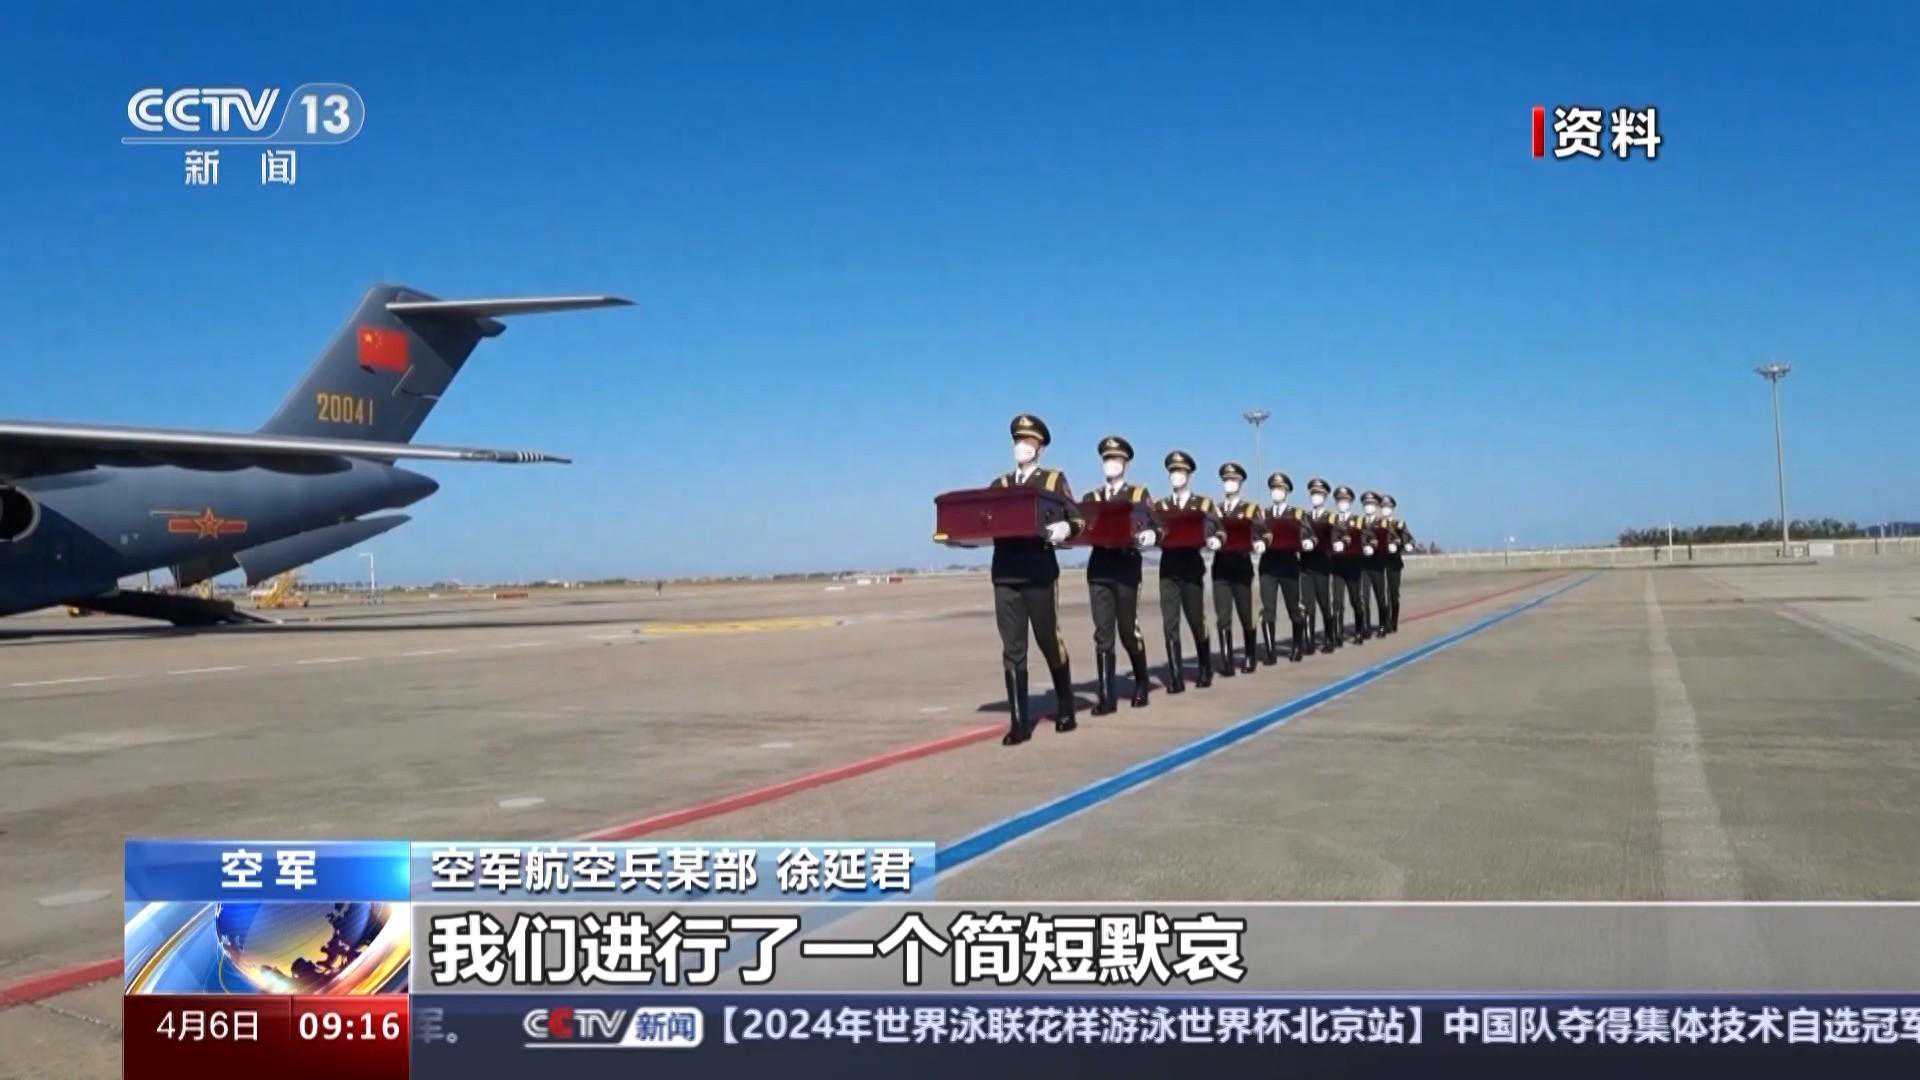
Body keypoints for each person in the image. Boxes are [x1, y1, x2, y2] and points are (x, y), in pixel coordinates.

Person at [988, 414, 1084, 746]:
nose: (1022, 447)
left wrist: (1065, 528)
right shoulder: (999, 485)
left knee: (1048, 639)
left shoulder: (1053, 480)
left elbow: (1078, 519)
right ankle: (1019, 723)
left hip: (1039, 573)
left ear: (1040, 448)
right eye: (1018, 440)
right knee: (1013, 648)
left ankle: (1066, 706)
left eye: (1029, 442)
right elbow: (985, 520)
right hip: (1006, 573)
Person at [1083, 435, 1157, 714]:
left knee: (1127, 631)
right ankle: (1106, 697)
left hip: (1126, 569)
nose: (1111, 464)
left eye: (1116, 459)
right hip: (1099, 569)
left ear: (1126, 464)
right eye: (1107, 459)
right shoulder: (1091, 498)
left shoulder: (1138, 495)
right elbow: (1082, 526)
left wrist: (1152, 534)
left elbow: (1158, 524)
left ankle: (1142, 682)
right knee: (1103, 633)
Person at [1154, 451, 1218, 692]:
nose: (1176, 476)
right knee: (1170, 623)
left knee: (1196, 620)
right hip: (1168, 568)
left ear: (1189, 475)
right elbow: (1153, 531)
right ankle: (1175, 677)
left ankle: (1205, 668)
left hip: (1191, 567)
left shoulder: (1202, 504)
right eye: (1172, 472)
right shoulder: (1160, 506)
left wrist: (1214, 539)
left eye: (1180, 472)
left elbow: (1217, 528)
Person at [1210, 462, 1261, 676]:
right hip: (1221, 567)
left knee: (1245, 614)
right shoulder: (1215, 510)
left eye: (1233, 480)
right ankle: (1227, 660)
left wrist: (1259, 542)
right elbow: (1208, 530)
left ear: (1240, 483)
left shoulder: (1250, 509)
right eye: (1226, 480)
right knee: (1223, 616)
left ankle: (1250, 655)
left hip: (1241, 567)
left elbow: (1261, 531)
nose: (1229, 484)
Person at [1258, 472, 1314, 663]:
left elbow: (1310, 535)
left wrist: (1308, 542)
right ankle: (1270, 652)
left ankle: (1297, 647)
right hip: (1268, 566)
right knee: (1268, 609)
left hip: (1289, 565)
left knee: (1294, 608)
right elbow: (1255, 534)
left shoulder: (1297, 514)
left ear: (1287, 491)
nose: (1276, 492)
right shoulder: (1263, 514)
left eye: (1280, 489)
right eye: (1273, 489)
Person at [1301, 477, 1340, 652]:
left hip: (1322, 567)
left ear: (1324, 497)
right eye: (1313, 494)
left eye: (1319, 494)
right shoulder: (1305, 517)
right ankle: (1309, 642)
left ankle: (1329, 639)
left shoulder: (1331, 518)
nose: (1315, 497)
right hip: (1305, 567)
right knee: (1307, 605)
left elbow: (1338, 537)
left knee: (1324, 604)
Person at [1331, 484, 1370, 644]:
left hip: (1354, 566)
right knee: (1337, 601)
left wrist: (1367, 547)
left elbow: (1369, 538)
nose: (1342, 503)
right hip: (1337, 567)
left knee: (1355, 600)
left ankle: (1359, 630)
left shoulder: (1359, 521)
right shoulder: (1332, 520)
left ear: (1351, 502)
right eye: (1340, 500)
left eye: (1345, 500)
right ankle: (1338, 634)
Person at [1360, 491, 1391, 641]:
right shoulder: (1359, 523)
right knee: (1363, 597)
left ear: (1377, 506)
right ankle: (1365, 627)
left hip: (1377, 565)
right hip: (1363, 566)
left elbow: (1385, 543)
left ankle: (1383, 626)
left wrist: (1374, 546)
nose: (1368, 506)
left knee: (1380, 598)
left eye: (1371, 504)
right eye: (1366, 504)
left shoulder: (1382, 523)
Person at [1381, 493, 1411, 633]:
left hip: (1394, 564)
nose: (1385, 509)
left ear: (1392, 508)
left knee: (1393, 594)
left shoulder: (1399, 524)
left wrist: (1407, 545)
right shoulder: (1377, 524)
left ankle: (1393, 622)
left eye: (1388, 507)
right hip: (1380, 563)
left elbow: (1408, 539)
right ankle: (1385, 623)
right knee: (1382, 595)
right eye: (1383, 507)